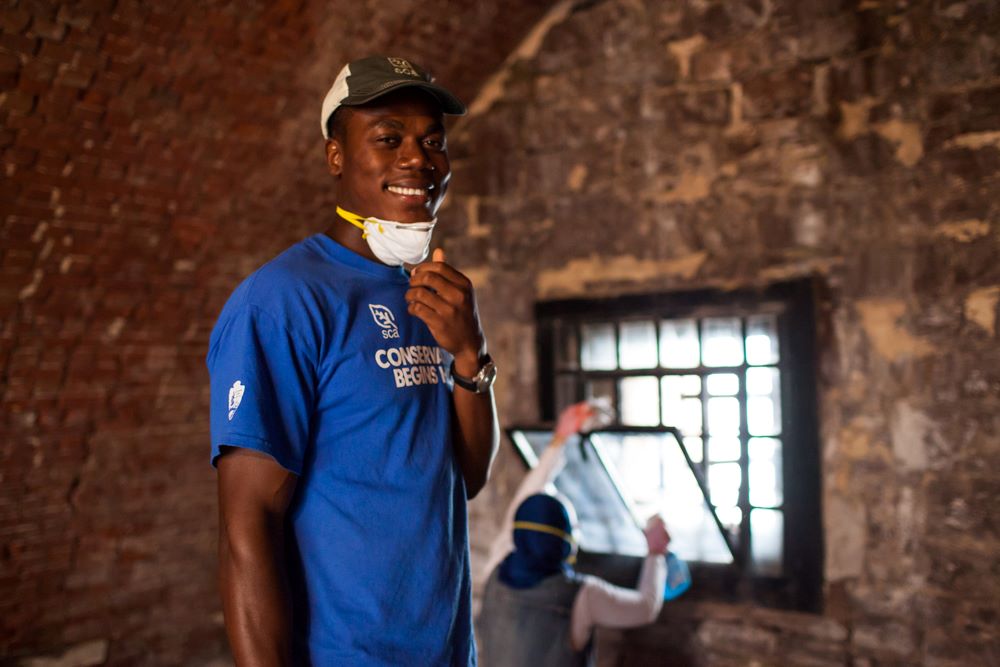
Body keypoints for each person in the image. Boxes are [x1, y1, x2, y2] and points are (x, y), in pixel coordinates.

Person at [207, 55, 499, 666]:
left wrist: (470, 353)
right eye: (388, 138)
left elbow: (465, 478)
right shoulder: (283, 301)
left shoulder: (430, 290)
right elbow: (247, 528)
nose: (418, 159)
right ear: (335, 156)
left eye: (432, 141)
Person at [477, 402, 670, 667]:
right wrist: (656, 554)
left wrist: (560, 438)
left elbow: (521, 512)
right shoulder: (583, 596)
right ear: (566, 544)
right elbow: (645, 608)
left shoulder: (495, 573)